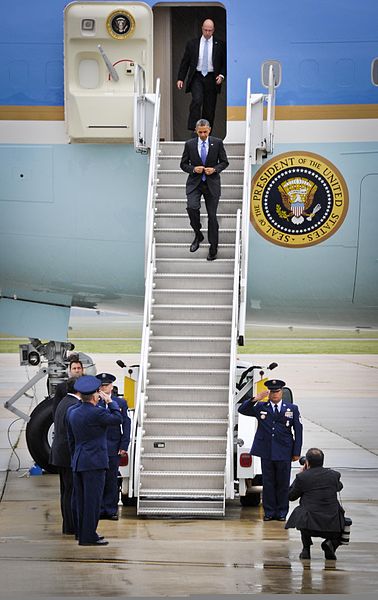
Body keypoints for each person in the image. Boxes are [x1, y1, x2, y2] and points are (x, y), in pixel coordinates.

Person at [66, 375, 122, 546]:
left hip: (79, 460)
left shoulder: (72, 412)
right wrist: (110, 401)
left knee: (80, 500)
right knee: (92, 501)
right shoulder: (97, 413)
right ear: (94, 395)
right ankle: (89, 536)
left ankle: (81, 532)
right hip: (95, 462)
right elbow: (117, 418)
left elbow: (71, 440)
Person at [238, 379, 303, 521]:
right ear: (269, 393)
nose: (275, 394)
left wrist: (296, 452)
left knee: (282, 483)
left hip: (284, 451)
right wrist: (256, 399)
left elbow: (298, 430)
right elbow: (242, 410)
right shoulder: (261, 406)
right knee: (268, 483)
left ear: (282, 392)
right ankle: (269, 512)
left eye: (277, 391)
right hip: (266, 451)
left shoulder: (292, 408)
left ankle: (281, 512)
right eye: (272, 392)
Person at [180, 118, 229, 260]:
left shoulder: (218, 143)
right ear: (196, 131)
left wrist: (214, 169)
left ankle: (213, 248)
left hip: (211, 184)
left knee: (212, 217)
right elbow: (183, 164)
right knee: (192, 208)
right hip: (195, 183)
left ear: (209, 130)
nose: (202, 135)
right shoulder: (189, 144)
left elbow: (225, 162)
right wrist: (193, 169)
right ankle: (198, 234)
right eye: (200, 132)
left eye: (205, 132)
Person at [285, 447, 345, 560]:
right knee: (340, 513)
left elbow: (291, 496)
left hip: (309, 526)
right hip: (332, 525)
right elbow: (339, 487)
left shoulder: (303, 477)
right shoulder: (333, 475)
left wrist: (300, 475)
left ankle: (306, 550)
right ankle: (331, 544)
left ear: (307, 462)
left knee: (302, 510)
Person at [177, 18, 226, 131]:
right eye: (205, 30)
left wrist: (222, 75)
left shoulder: (220, 45)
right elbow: (185, 62)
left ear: (213, 30)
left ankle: (207, 130)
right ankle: (194, 128)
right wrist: (181, 78)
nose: (207, 32)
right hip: (197, 76)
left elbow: (225, 63)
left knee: (209, 107)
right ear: (202, 29)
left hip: (212, 77)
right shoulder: (192, 43)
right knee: (197, 100)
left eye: (210, 30)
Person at [96, 372, 131, 521]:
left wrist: (124, 445)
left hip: (113, 445)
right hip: (97, 446)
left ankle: (110, 509)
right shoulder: (94, 401)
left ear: (111, 386)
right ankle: (98, 509)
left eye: (107, 385)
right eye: (102, 385)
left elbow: (126, 424)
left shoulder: (120, 403)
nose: (104, 388)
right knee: (98, 479)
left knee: (111, 480)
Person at [49, 377, 81, 535]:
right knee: (72, 492)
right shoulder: (74, 405)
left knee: (66, 492)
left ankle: (68, 526)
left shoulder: (64, 402)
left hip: (60, 454)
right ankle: (72, 526)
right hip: (68, 455)